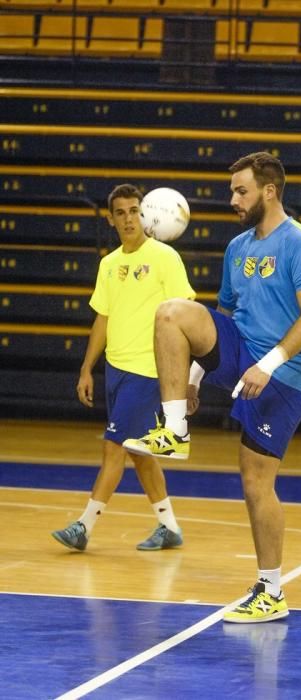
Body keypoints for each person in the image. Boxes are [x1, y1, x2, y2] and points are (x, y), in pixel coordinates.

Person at [124, 152, 301, 622]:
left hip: (286, 372)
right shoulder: (238, 247)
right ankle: (174, 428)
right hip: (240, 349)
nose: (232, 199)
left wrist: (269, 366)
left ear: (270, 191)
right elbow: (228, 314)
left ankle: (271, 591)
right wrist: (194, 379)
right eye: (232, 191)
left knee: (256, 482)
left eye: (241, 191)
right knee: (172, 311)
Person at [51, 183, 195, 552]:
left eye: (135, 211)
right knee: (137, 450)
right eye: (122, 212)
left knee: (114, 446)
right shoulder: (109, 264)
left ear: (144, 215)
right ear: (111, 218)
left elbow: (185, 313)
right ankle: (169, 526)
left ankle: (83, 526)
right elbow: (102, 318)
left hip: (149, 371)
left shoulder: (165, 257)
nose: (129, 218)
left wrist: (183, 374)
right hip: (117, 370)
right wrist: (87, 369)